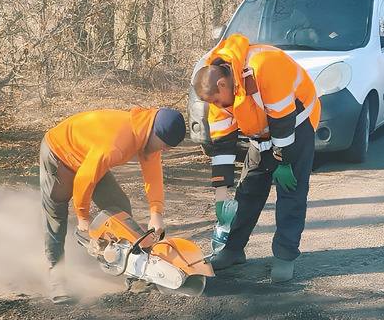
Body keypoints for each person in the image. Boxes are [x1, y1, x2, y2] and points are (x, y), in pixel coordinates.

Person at [193, 33, 319, 283]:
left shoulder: (265, 65)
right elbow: (222, 147)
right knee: (249, 188)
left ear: (221, 85)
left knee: (290, 189)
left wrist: (282, 162)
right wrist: (221, 197)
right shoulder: (218, 97)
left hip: (296, 124)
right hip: (260, 132)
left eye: (216, 100)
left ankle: (284, 256)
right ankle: (232, 249)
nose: (216, 106)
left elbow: (283, 122)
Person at [40, 106, 186, 301]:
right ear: (153, 131)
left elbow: (153, 177)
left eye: (169, 147)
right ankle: (57, 280)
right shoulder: (116, 144)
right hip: (59, 151)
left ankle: (133, 272)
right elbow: (84, 179)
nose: (165, 150)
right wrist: (83, 217)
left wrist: (156, 213)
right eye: (165, 145)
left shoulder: (149, 136)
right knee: (57, 214)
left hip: (89, 156)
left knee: (119, 208)